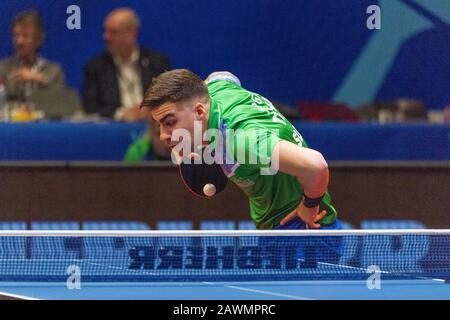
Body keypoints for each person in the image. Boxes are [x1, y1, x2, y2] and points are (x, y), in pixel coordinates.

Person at [142, 69, 342, 262]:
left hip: (304, 235)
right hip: (274, 229)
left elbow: (316, 166)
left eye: (169, 122)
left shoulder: (243, 142)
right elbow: (223, 75)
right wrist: (195, 138)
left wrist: (309, 205)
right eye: (159, 124)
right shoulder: (216, 90)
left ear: (200, 111)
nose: (163, 135)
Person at [83, 7, 171, 121]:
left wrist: (150, 110)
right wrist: (122, 114)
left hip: (153, 126)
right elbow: (90, 107)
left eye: (113, 32)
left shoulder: (157, 62)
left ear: (132, 34)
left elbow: (169, 98)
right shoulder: (96, 67)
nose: (106, 37)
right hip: (115, 129)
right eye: (105, 31)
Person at [0, 10, 65, 102]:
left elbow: (63, 103)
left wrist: (40, 79)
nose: (19, 42)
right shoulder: (4, 68)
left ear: (38, 40)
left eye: (25, 36)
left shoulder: (54, 71)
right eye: (16, 35)